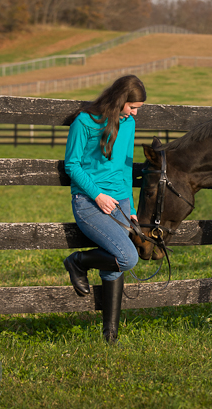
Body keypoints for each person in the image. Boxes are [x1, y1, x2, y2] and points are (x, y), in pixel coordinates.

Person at [63, 74, 146, 344]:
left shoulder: (129, 124)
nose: (134, 113)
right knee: (127, 257)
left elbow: (124, 167)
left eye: (137, 109)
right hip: (89, 202)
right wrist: (98, 196)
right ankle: (77, 261)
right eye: (132, 107)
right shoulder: (85, 122)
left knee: (115, 264)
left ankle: (110, 335)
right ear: (120, 99)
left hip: (120, 202)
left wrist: (130, 207)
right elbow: (72, 165)